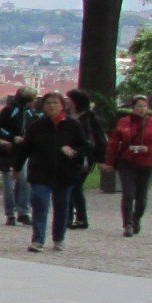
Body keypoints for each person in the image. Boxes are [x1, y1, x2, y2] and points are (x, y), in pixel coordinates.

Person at [22, 92, 88, 253]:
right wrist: (17, 167)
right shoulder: (36, 126)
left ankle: (59, 238)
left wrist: (73, 152)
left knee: (61, 207)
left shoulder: (73, 125)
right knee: (40, 203)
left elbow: (85, 146)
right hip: (40, 172)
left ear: (62, 106)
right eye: (48, 103)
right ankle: (38, 239)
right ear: (43, 106)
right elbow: (26, 148)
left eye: (55, 103)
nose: (52, 106)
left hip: (64, 173)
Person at [107, 94, 152, 237]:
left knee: (142, 197)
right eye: (139, 106)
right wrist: (109, 161)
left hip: (146, 164)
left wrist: (150, 149)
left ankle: (136, 218)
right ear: (133, 108)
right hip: (127, 162)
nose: (142, 109)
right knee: (128, 194)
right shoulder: (124, 122)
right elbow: (113, 142)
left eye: (145, 106)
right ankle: (127, 224)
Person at [0, 89, 35, 225]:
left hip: (23, 151)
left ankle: (23, 212)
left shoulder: (30, 113)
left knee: (25, 181)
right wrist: (11, 137)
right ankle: (10, 214)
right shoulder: (9, 111)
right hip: (8, 151)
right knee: (9, 184)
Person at [66, 90, 106, 230]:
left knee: (74, 186)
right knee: (71, 187)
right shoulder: (66, 116)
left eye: (69, 99)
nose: (67, 101)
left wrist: (100, 159)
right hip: (67, 156)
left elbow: (100, 139)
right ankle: (72, 217)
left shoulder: (89, 118)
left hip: (84, 157)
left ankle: (76, 218)